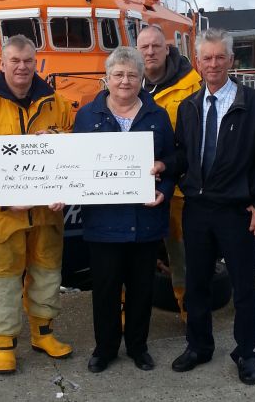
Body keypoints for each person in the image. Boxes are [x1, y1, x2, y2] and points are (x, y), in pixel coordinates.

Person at [168, 28, 255, 385]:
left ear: (232, 60)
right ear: (197, 62)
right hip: (198, 210)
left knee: (244, 288)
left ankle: (246, 352)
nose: (213, 64)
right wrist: (164, 167)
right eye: (206, 58)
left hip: (238, 212)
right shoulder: (190, 107)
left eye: (220, 57)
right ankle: (199, 345)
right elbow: (184, 154)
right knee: (197, 283)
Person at [0, 34, 73, 374]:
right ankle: (4, 342)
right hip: (6, 215)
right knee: (4, 279)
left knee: (46, 272)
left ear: (35, 62)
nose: (22, 67)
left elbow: (74, 148)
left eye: (28, 61)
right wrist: (1, 197)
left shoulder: (57, 103)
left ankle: (43, 333)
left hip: (47, 213)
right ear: (2, 64)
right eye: (15, 61)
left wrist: (65, 182)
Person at [73, 46, 175, 373]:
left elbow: (174, 161)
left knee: (141, 290)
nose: (125, 81)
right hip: (102, 223)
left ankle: (138, 346)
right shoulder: (87, 116)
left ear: (142, 78)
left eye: (132, 75)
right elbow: (74, 163)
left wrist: (164, 186)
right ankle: (105, 349)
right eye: (118, 75)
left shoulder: (157, 116)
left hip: (145, 220)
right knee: (104, 290)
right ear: (107, 78)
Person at [137, 25, 201, 321]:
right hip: (134, 184)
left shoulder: (191, 84)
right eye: (143, 48)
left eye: (155, 46)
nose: (149, 52)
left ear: (167, 48)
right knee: (131, 254)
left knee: (182, 254)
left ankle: (190, 314)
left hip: (179, 187)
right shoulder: (127, 82)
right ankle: (128, 318)